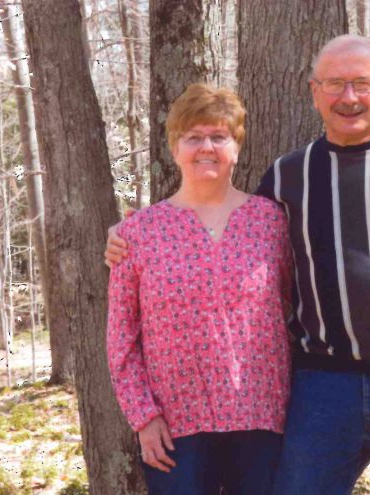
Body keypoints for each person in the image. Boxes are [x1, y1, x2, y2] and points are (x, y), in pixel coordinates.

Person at [106, 35, 370, 495]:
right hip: (322, 390)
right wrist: (126, 235)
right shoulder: (287, 178)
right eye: (334, 84)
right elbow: (222, 231)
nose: (348, 97)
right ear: (314, 92)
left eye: (362, 83)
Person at [106, 82, 292, 495]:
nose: (206, 147)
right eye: (193, 137)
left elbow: (297, 307)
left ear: (236, 148)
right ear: (175, 148)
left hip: (262, 419)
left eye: (219, 136)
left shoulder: (271, 222)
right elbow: (121, 337)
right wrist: (143, 417)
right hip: (175, 427)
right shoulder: (139, 233)